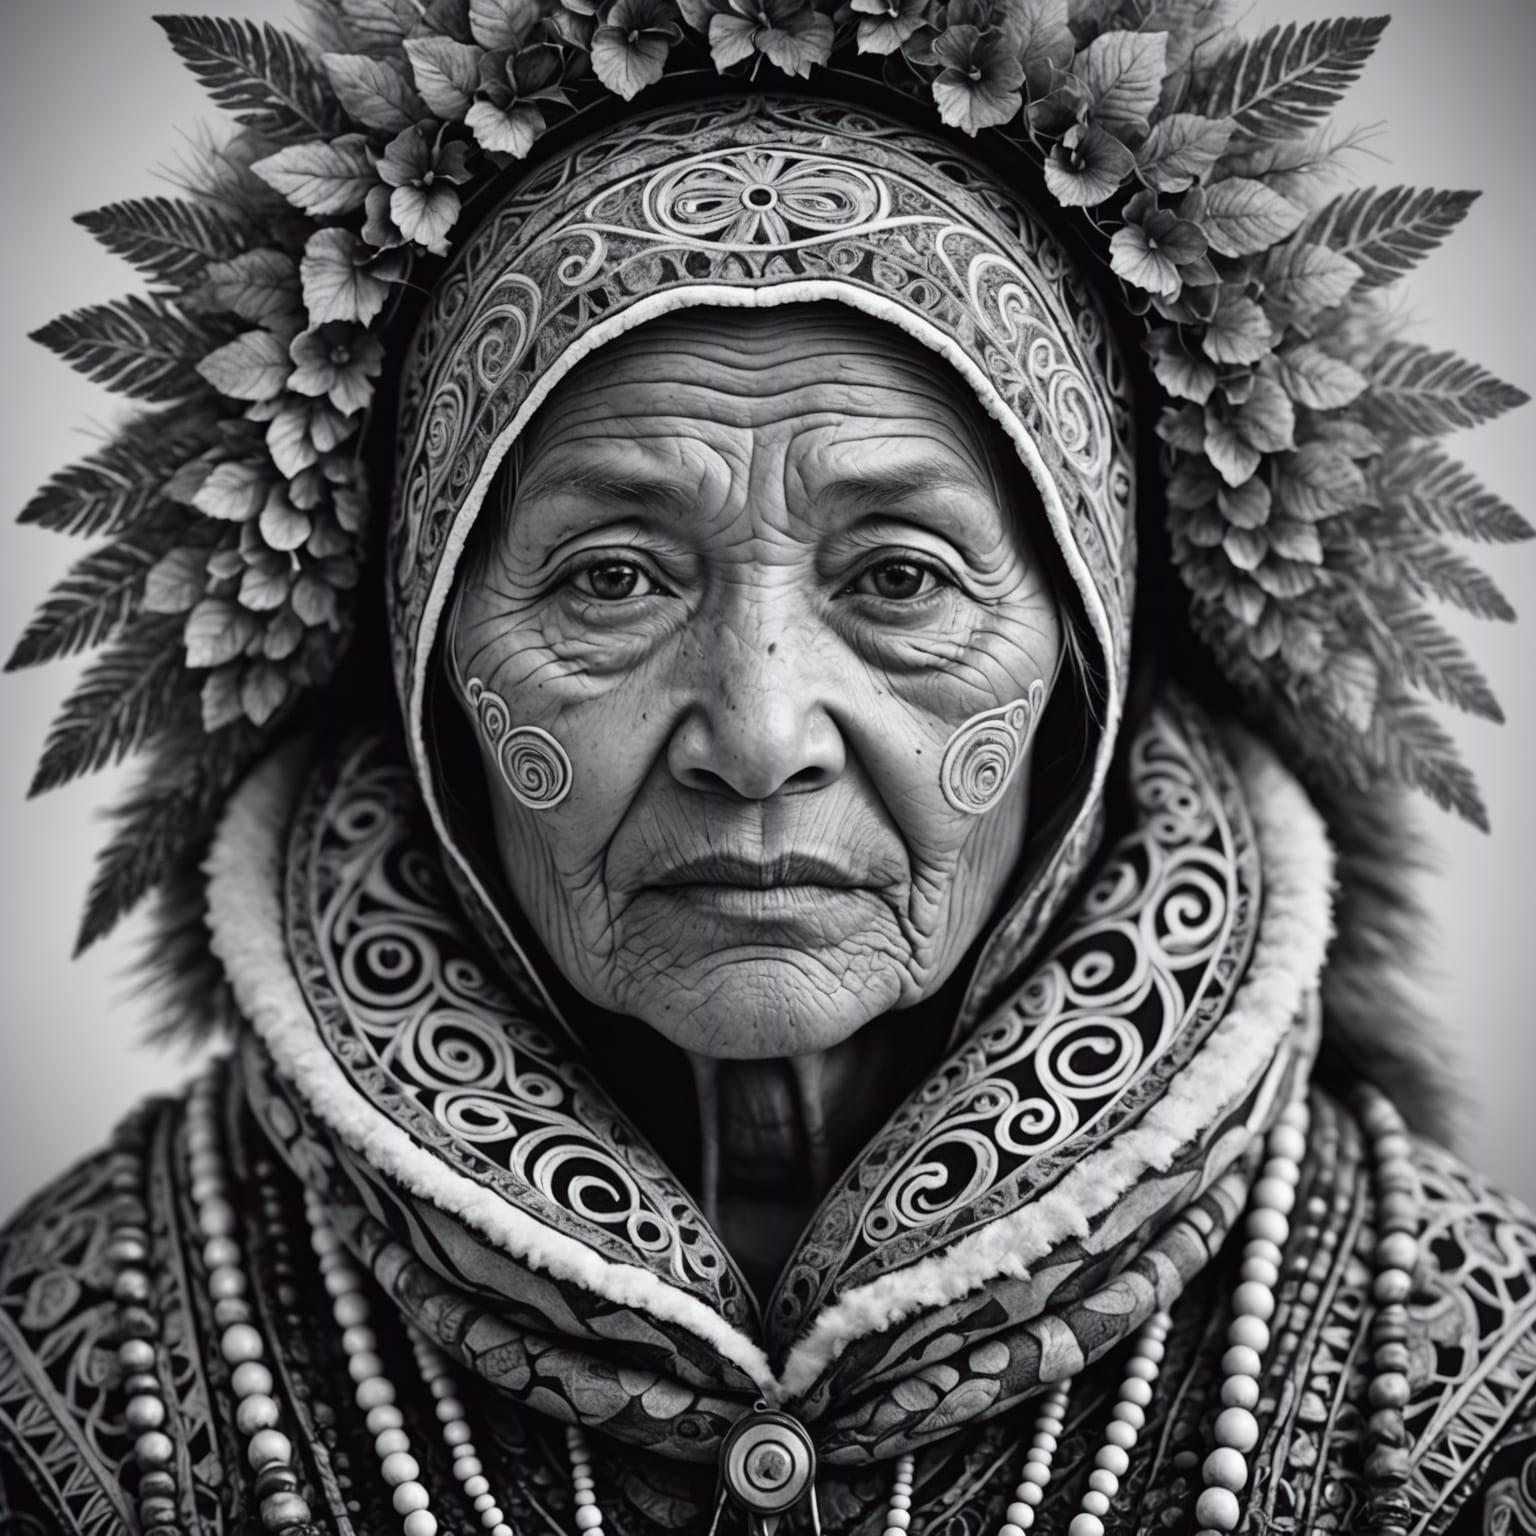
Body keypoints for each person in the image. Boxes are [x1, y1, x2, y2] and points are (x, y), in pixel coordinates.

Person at [2, 6, 1533, 1535]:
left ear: (1088, 658)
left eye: (902, 579)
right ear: (423, 657)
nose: (758, 738)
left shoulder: (1460, 1380)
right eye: (610, 580)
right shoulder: (77, 1367)